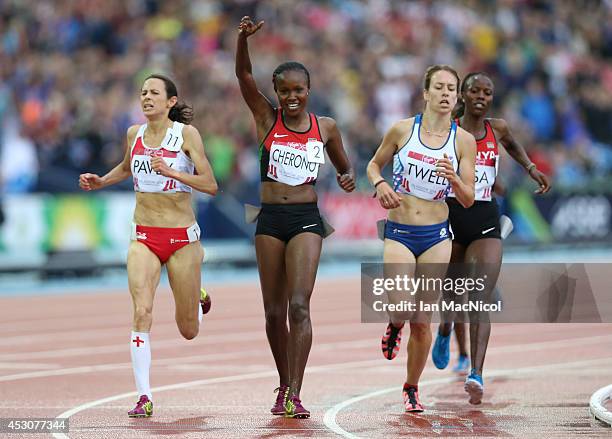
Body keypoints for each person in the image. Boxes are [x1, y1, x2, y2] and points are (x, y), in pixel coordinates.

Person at [235, 16, 355, 419]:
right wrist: (242, 41)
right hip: (269, 220)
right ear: (276, 92)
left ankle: (295, 394)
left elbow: (343, 164)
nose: (291, 97)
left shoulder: (326, 127)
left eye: (298, 90)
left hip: (306, 219)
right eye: (284, 90)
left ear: (308, 90)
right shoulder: (266, 119)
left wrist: (346, 174)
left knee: (299, 306)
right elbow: (244, 74)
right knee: (273, 312)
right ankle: (283, 382)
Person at [79, 74, 218, 417]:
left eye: (154, 93)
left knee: (188, 330)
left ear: (171, 101)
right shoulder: (134, 134)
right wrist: (102, 180)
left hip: (182, 239)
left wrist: (174, 172)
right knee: (141, 312)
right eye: (143, 93)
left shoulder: (186, 135)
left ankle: (198, 296)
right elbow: (128, 167)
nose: (146, 98)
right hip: (144, 236)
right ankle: (144, 397)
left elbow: (211, 184)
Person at [431, 72, 551, 404]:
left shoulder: (497, 129)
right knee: (453, 294)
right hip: (451, 217)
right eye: (475, 91)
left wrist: (529, 168)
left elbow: (511, 145)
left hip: (485, 218)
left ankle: (476, 373)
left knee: (478, 296)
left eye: (487, 92)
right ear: (463, 97)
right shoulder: (447, 129)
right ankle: (444, 330)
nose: (482, 96)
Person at [367, 65, 476, 413]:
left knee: (422, 319)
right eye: (439, 87)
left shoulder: (463, 141)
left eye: (451, 89)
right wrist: (381, 184)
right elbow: (373, 165)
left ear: (456, 97)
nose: (446, 93)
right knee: (400, 307)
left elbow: (469, 197)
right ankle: (393, 323)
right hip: (400, 230)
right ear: (426, 93)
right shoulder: (402, 129)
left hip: (436, 235)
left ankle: (411, 387)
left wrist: (454, 179)